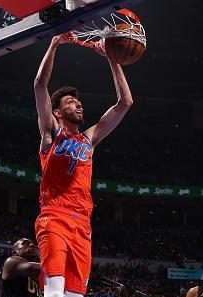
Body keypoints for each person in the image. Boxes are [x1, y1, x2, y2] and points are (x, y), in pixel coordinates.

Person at [33, 34, 133, 297]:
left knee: (75, 296)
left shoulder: (89, 139)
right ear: (57, 112)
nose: (77, 104)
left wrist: (113, 59)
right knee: (54, 292)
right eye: (69, 102)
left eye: (78, 102)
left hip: (83, 223)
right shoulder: (51, 134)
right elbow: (40, 85)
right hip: (54, 216)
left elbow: (125, 102)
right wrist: (54, 44)